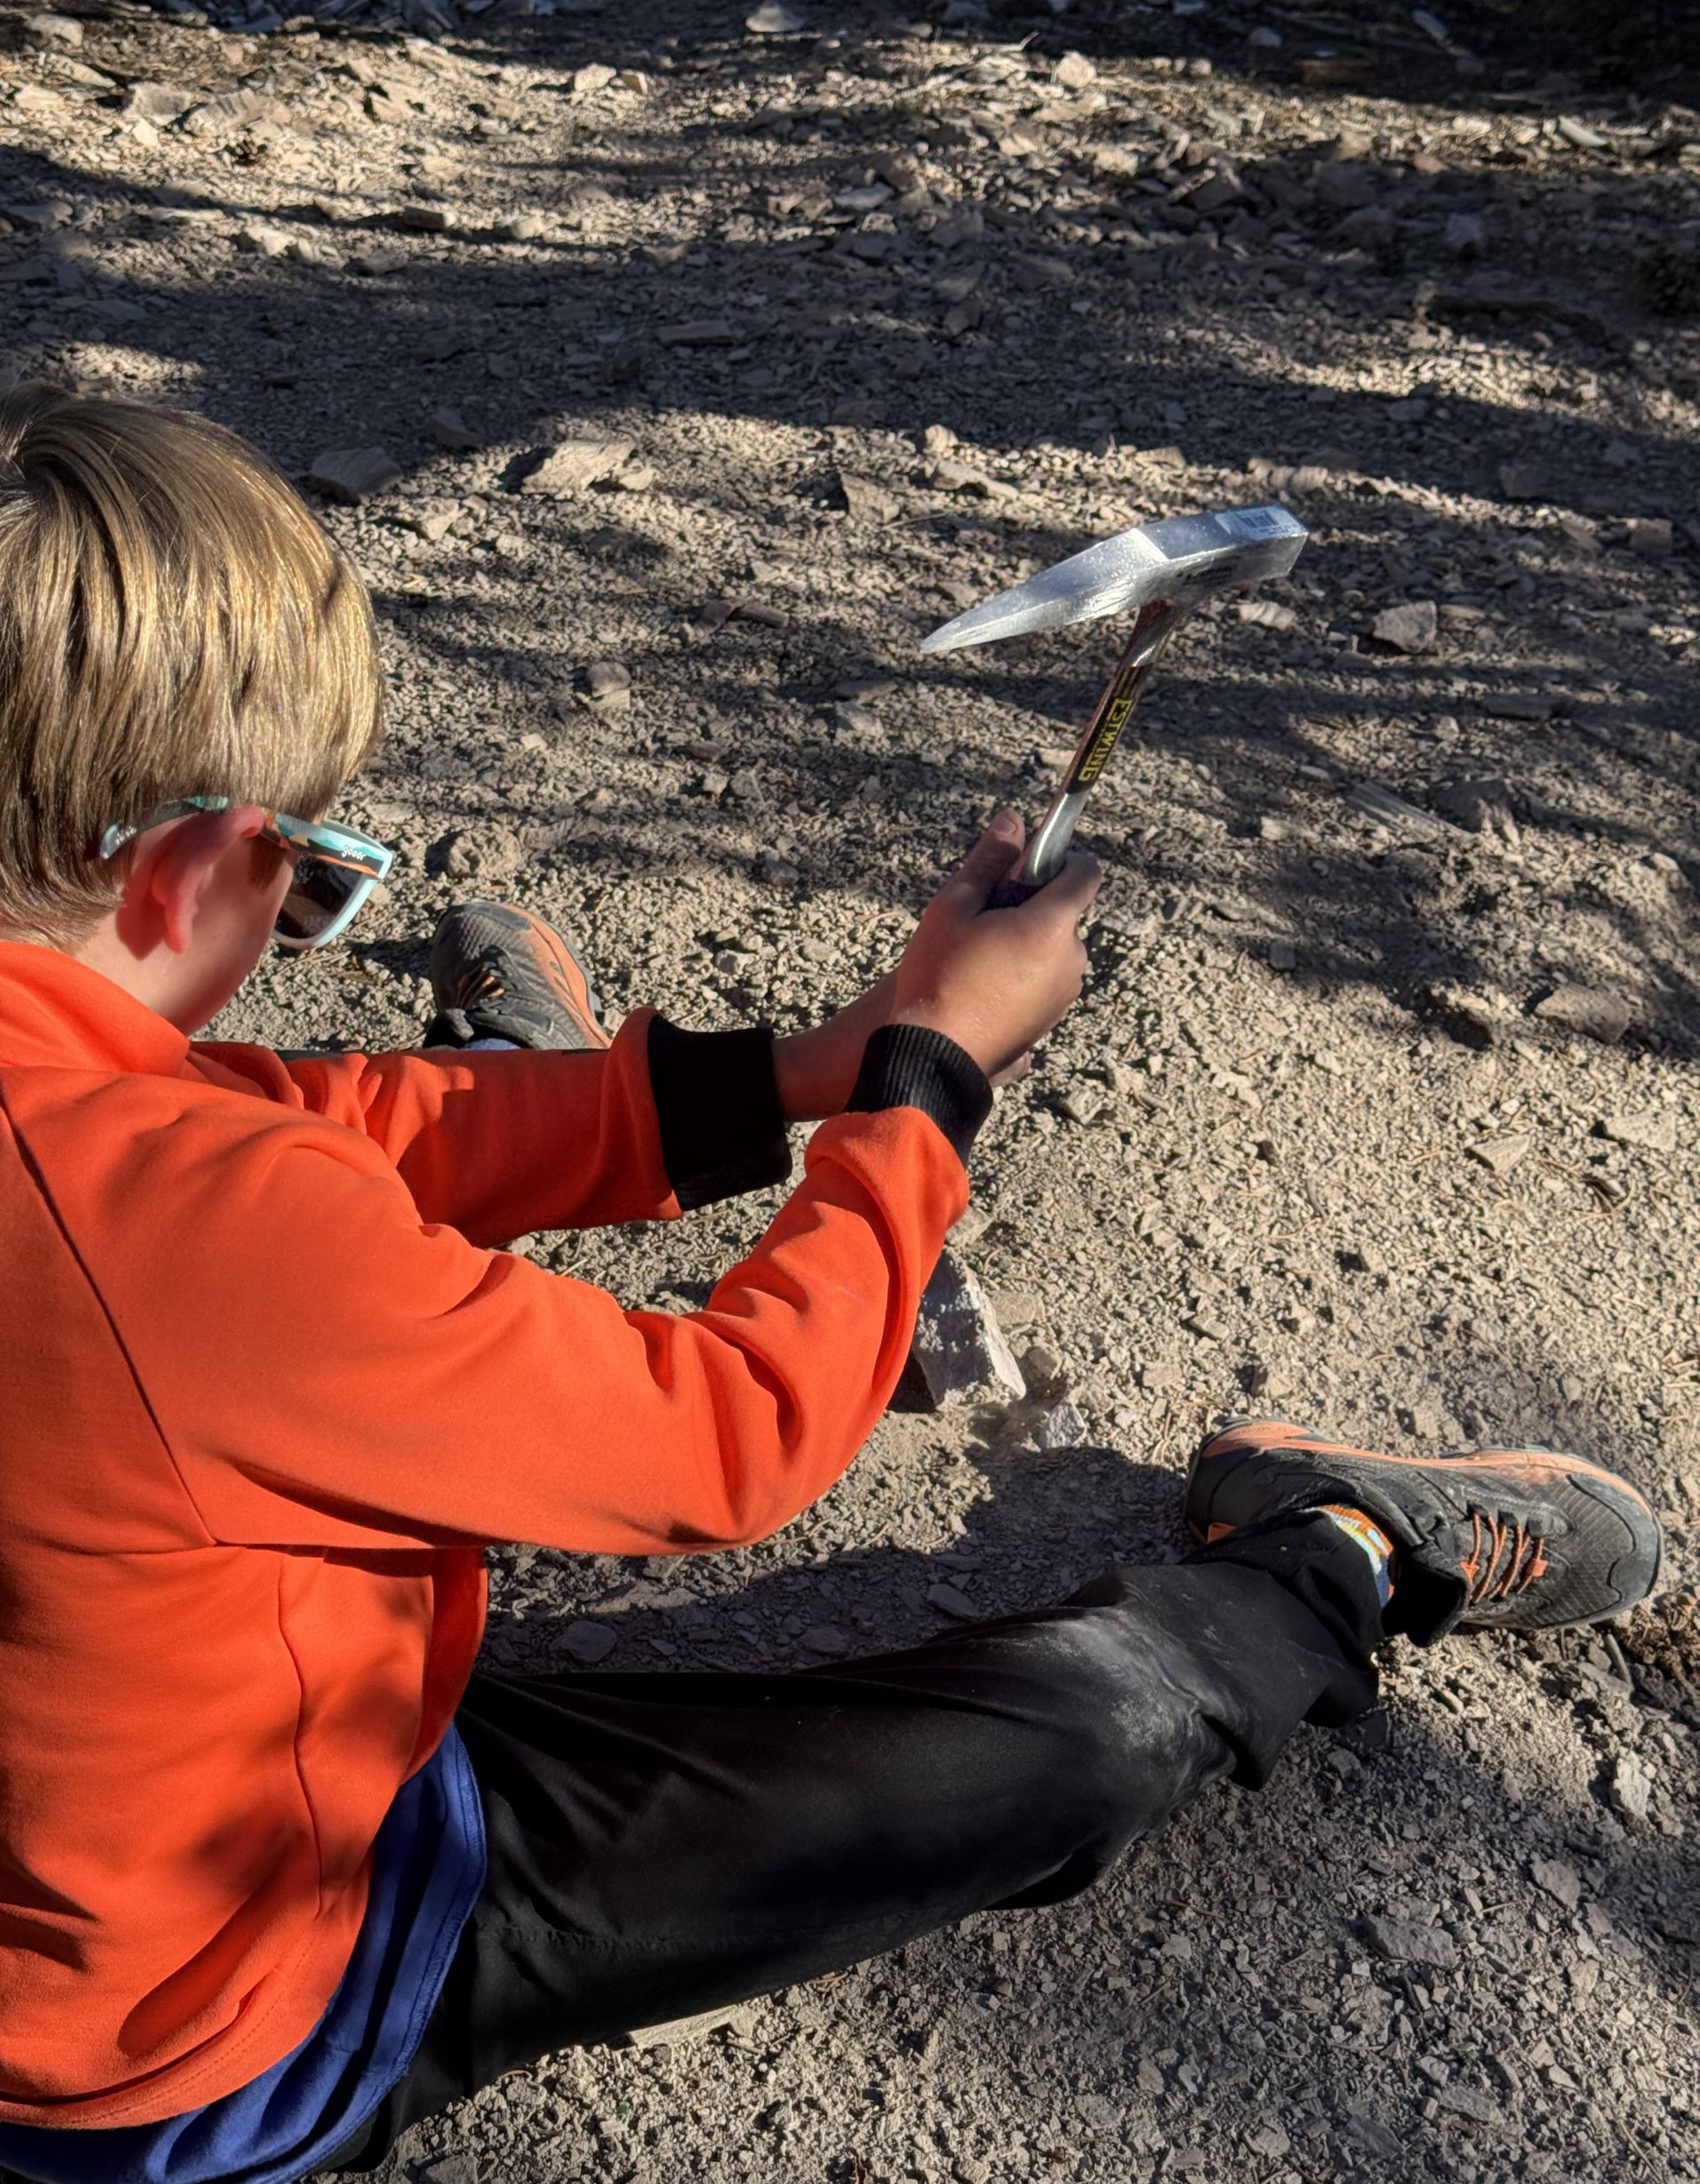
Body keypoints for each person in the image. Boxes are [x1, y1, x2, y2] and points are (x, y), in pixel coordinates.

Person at [0, 383, 1662, 2184]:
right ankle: (1334, 1554)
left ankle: (551, 1081)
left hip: (115, 1781)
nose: (302, 908)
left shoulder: (101, 1130)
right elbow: (728, 1435)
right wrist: (926, 1088)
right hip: (223, 2009)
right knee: (1067, 1748)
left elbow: (306, 1124)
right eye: (306, 875)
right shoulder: (197, 1231)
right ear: (175, 875)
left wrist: (810, 1059)